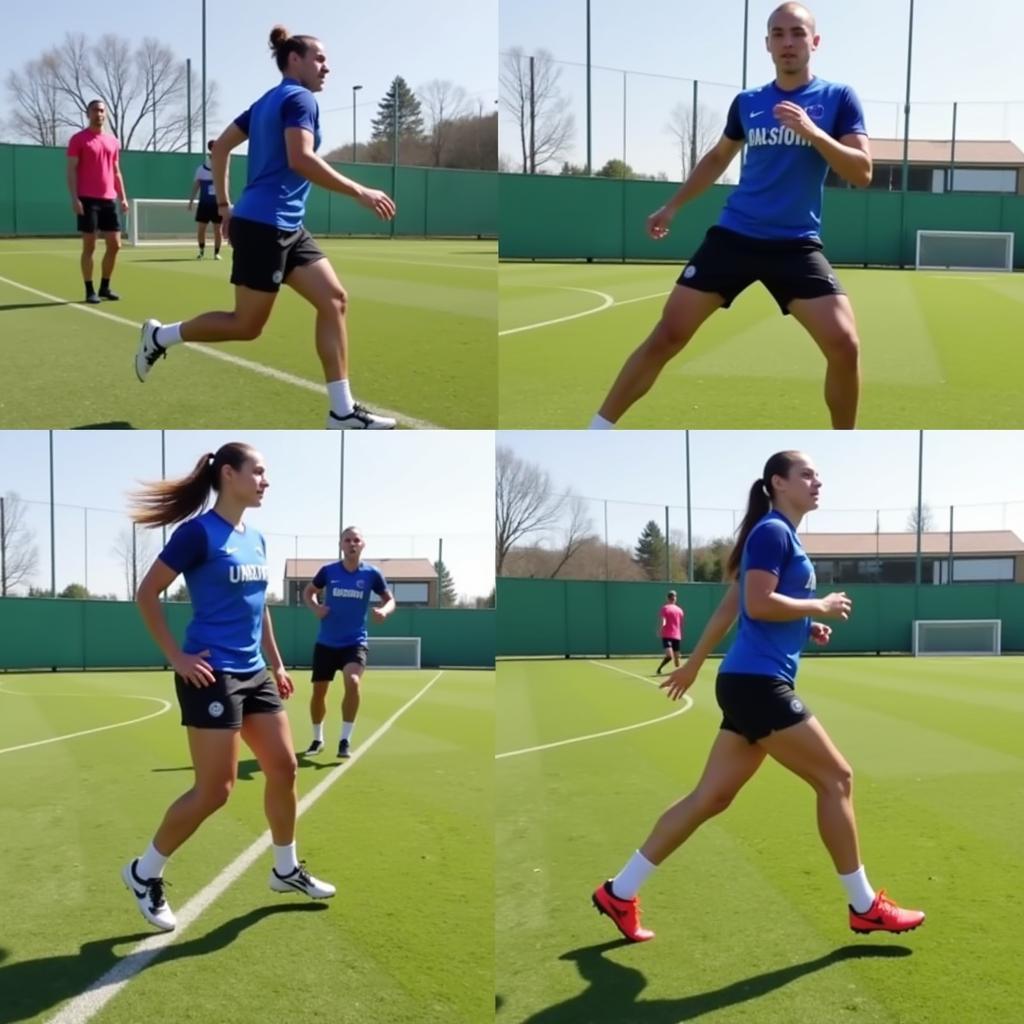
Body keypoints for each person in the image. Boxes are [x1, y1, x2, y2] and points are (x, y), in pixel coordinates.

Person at [592, 450, 925, 942]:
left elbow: (735, 608)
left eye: (818, 474)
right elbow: (756, 603)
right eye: (806, 474)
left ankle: (619, 893)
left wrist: (800, 627)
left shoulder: (779, 536)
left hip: (747, 680)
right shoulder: (771, 532)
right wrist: (820, 605)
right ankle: (864, 907)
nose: (817, 482)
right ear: (778, 483)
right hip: (757, 684)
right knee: (837, 778)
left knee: (711, 797)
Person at [589, 2, 870, 431]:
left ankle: (845, 439)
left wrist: (813, 133)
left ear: (815, 41)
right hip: (734, 237)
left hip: (795, 245)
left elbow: (863, 172)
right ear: (767, 44)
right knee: (667, 336)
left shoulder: (838, 98)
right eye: (778, 34)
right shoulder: (748, 102)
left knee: (845, 344)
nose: (788, 42)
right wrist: (673, 205)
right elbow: (718, 157)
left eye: (797, 33)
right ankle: (597, 429)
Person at [134, 26, 398, 430]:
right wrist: (359, 191)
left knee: (334, 300)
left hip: (287, 226)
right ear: (295, 60)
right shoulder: (299, 97)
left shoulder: (264, 102)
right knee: (246, 326)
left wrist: (224, 206)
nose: (326, 68)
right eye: (320, 59)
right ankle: (159, 337)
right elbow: (301, 159)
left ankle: (340, 411)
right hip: (264, 227)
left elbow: (219, 148)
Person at [123, 441, 335, 932]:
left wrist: (277, 665)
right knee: (215, 791)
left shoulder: (256, 539)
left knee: (282, 768)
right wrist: (176, 656)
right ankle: (142, 872)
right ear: (228, 475)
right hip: (211, 674)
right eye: (258, 471)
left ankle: (285, 870)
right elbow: (146, 593)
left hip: (255, 671)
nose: (265, 480)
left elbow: (258, 607)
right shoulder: (196, 534)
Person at [301, 526, 395, 759]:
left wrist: (384, 611)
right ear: (341, 545)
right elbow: (309, 591)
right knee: (319, 692)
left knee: (353, 682)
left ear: (363, 545)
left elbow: (390, 599)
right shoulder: (328, 571)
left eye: (356, 540)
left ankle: (345, 740)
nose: (352, 544)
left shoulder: (372, 574)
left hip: (355, 642)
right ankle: (317, 739)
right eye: (347, 540)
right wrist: (316, 608)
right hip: (326, 643)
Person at [66, 99, 128, 305]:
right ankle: (89, 289)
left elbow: (116, 171)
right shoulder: (78, 139)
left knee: (115, 245)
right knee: (90, 246)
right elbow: (71, 170)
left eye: (102, 111)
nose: (99, 114)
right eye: (95, 110)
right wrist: (74, 198)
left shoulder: (113, 141)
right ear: (88, 113)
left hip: (108, 199)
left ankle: (105, 286)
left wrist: (123, 198)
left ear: (105, 114)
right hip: (87, 199)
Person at [188, 140, 224, 260]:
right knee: (201, 229)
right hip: (204, 205)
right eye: (213, 148)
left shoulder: (222, 167)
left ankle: (216, 253)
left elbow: (225, 185)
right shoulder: (201, 169)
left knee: (217, 230)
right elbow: (196, 186)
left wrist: (224, 202)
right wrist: (191, 201)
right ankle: (201, 251)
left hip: (217, 205)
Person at [655, 590, 684, 675]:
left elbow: (678, 623)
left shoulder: (679, 610)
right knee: (669, 656)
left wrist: (659, 630)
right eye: (672, 596)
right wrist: (661, 629)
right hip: (667, 635)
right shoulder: (665, 608)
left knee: (676, 661)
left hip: (676, 636)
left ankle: (679, 670)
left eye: (673, 596)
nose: (672, 598)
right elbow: (664, 621)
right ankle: (659, 669)